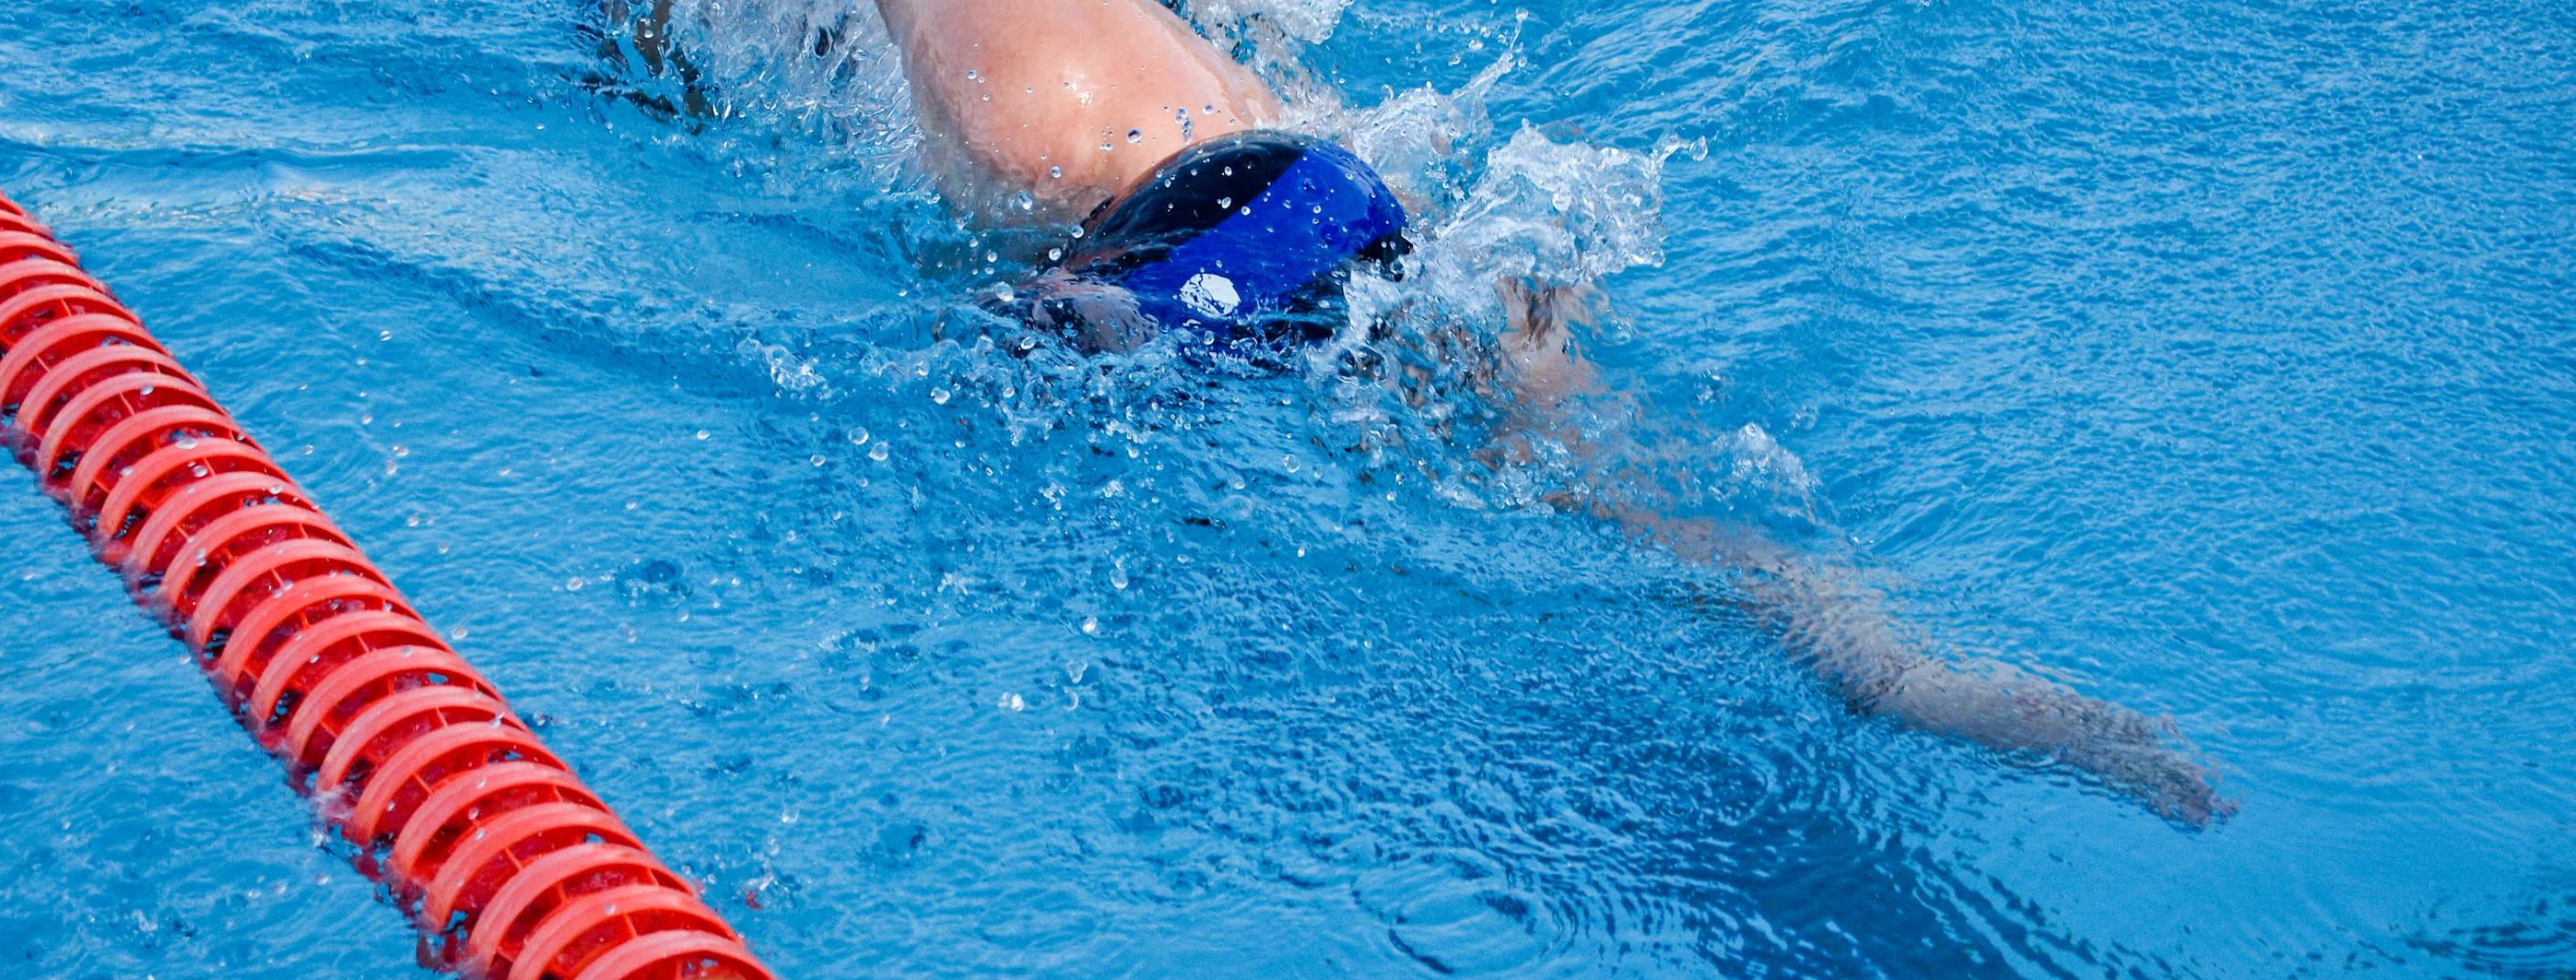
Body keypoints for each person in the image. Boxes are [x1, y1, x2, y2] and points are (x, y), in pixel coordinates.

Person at [630, 0, 2230, 823]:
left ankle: (1879, 665)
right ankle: (1885, 662)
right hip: (1336, 189)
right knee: (1593, 472)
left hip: (1160, 221)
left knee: (1004, 386)